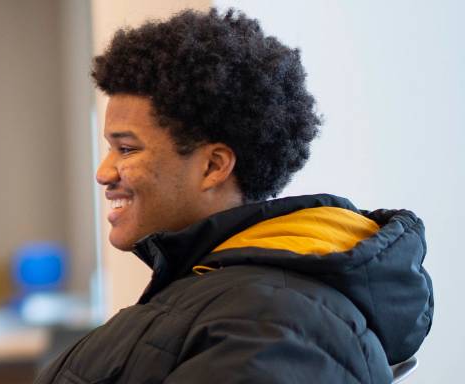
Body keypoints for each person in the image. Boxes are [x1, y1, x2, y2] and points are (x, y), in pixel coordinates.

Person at [33, 8, 433, 383]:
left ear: (212, 166)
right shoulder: (223, 297)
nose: (103, 173)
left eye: (127, 149)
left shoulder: (269, 324)